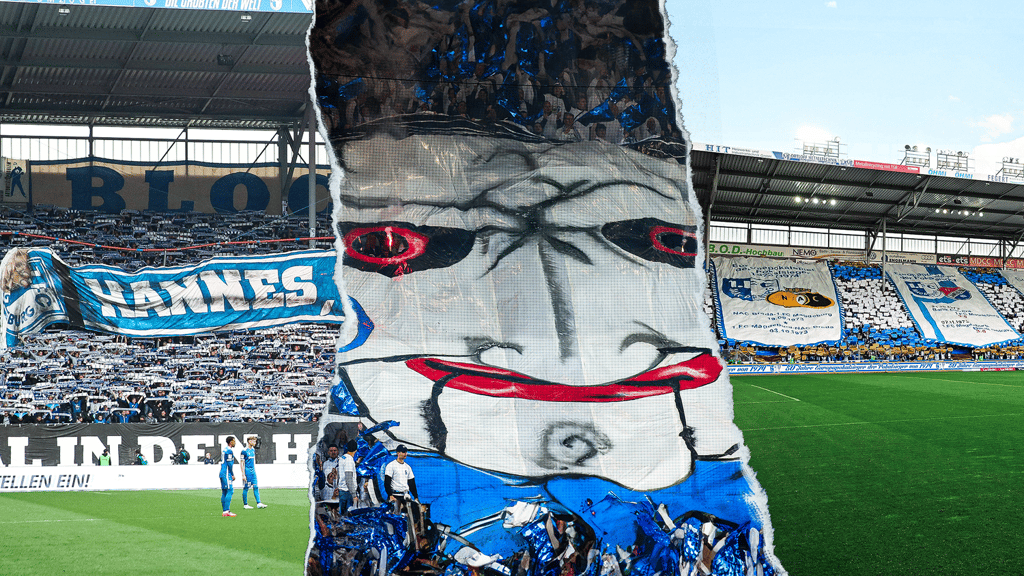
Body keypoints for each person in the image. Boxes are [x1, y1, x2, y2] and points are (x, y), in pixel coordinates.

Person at [240, 436, 267, 509]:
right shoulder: (244, 451)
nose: (255, 443)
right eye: (254, 441)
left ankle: (259, 503)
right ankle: (245, 504)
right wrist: (243, 474)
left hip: (253, 471)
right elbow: (241, 463)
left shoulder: (253, 450)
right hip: (247, 471)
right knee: (246, 487)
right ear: (249, 441)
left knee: (256, 486)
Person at [220, 436, 238, 517]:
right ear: (230, 442)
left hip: (222, 472)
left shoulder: (224, 450)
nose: (235, 443)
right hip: (227, 473)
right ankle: (227, 511)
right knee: (230, 491)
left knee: (224, 491)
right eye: (234, 441)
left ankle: (225, 511)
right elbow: (230, 464)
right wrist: (232, 474)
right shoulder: (229, 451)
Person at [338, 440, 359, 512]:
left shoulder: (342, 458)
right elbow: (348, 478)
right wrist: (354, 495)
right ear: (355, 450)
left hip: (342, 491)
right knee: (348, 516)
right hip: (347, 492)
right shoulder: (349, 460)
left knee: (342, 515)